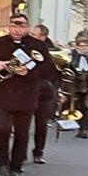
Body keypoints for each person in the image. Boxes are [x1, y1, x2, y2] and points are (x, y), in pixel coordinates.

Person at [0, 14, 47, 176]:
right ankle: (2, 165)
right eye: (14, 26)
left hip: (27, 93)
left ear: (28, 28)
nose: (17, 30)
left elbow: (48, 69)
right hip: (2, 93)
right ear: (8, 26)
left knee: (22, 133)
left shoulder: (37, 45)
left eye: (21, 26)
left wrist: (29, 71)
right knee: (1, 129)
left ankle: (16, 167)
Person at [31, 24, 62, 164]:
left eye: (34, 35)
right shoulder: (24, 47)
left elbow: (58, 75)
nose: (30, 37)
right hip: (25, 90)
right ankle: (19, 152)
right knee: (21, 124)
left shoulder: (53, 52)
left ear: (42, 36)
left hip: (44, 91)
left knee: (41, 124)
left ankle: (38, 152)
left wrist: (61, 92)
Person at [70, 36, 88, 139]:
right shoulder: (71, 56)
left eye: (85, 46)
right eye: (80, 46)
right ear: (77, 46)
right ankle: (80, 127)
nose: (83, 48)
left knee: (87, 106)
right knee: (78, 108)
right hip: (76, 86)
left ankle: (84, 129)